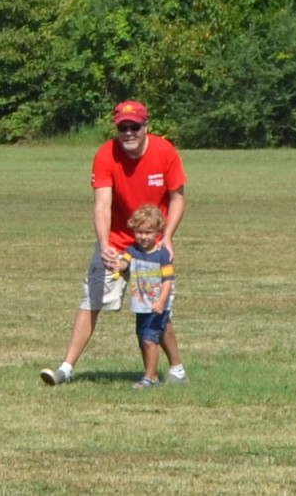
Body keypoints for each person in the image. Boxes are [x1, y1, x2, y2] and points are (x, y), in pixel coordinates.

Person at [40, 101, 189, 386]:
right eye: (123, 127)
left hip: (152, 244)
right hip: (117, 242)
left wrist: (167, 236)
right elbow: (102, 204)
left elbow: (177, 197)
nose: (129, 132)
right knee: (91, 300)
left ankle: (176, 369)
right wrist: (104, 244)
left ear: (146, 126)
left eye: (135, 126)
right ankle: (65, 370)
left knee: (156, 309)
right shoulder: (106, 154)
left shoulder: (164, 151)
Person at [117, 205, 175, 388]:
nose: (143, 236)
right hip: (141, 305)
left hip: (157, 306)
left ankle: (149, 377)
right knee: (143, 341)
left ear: (158, 232)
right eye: (139, 232)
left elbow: (168, 280)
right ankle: (152, 376)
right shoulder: (132, 251)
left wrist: (162, 301)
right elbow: (123, 263)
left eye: (148, 232)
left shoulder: (162, 255)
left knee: (150, 340)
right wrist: (117, 265)